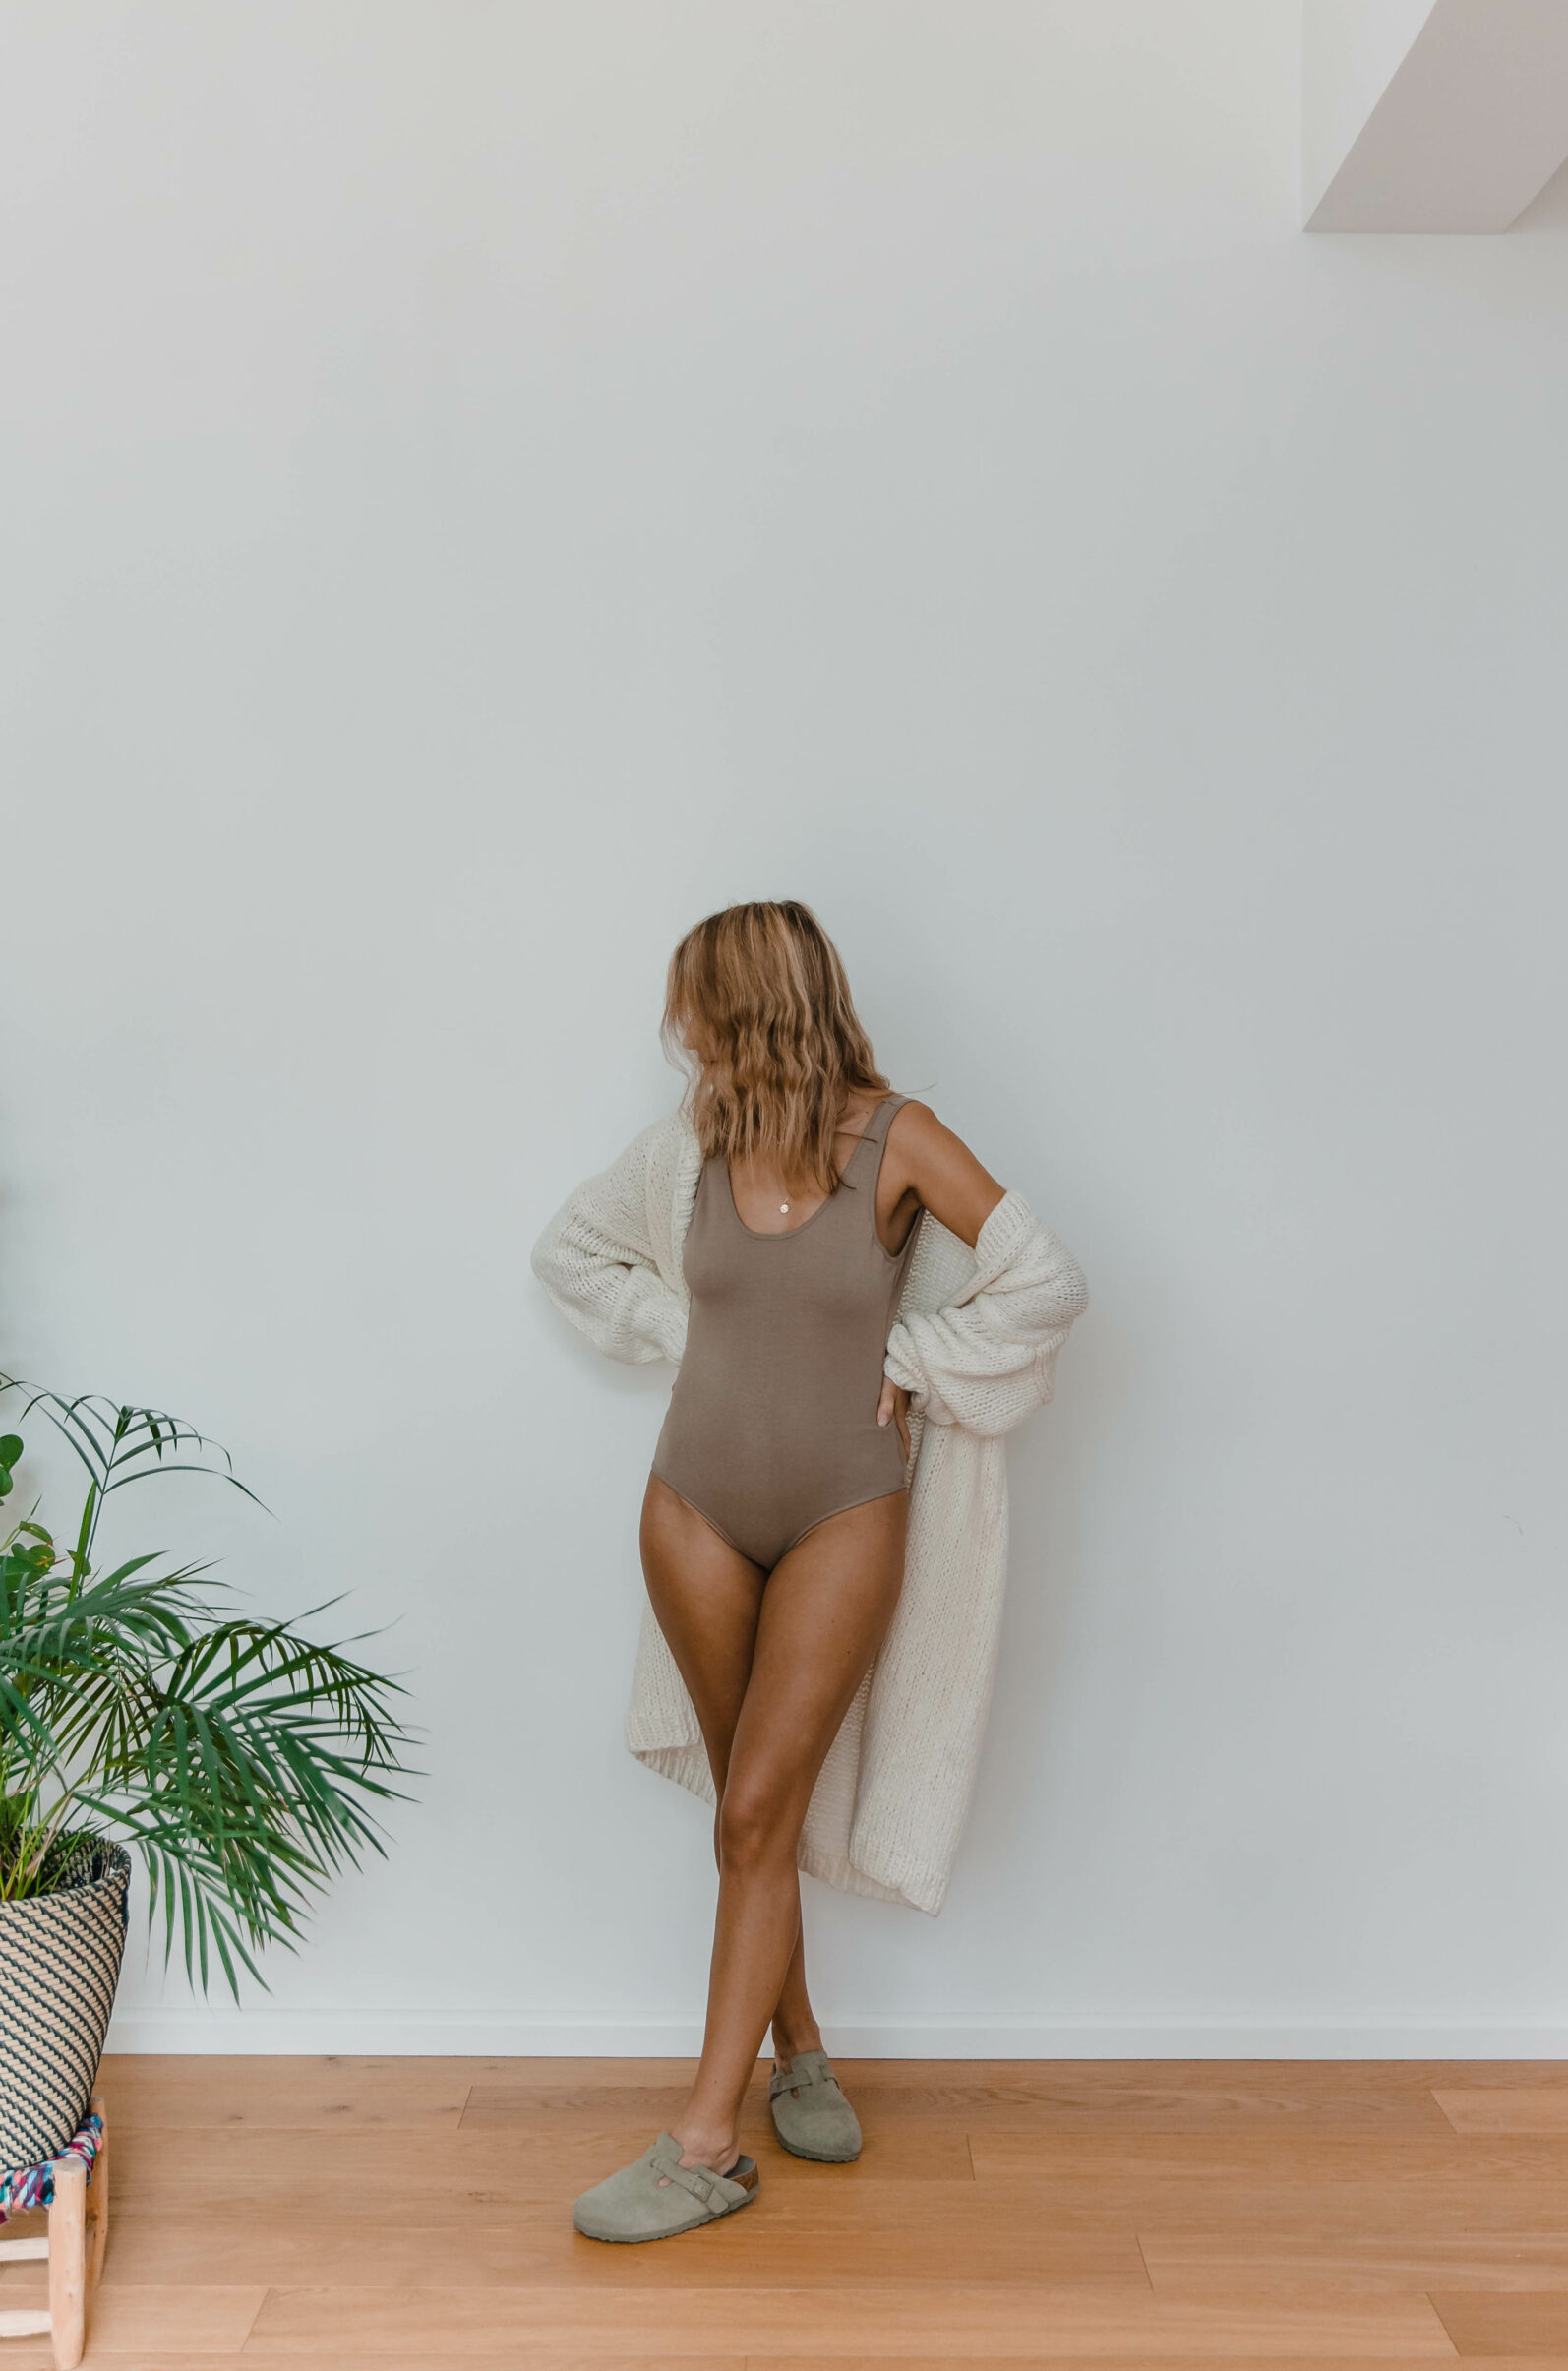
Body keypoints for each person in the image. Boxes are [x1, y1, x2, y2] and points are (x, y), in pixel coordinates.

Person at [532, 899, 1086, 2243]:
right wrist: (692, 1333)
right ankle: (802, 2051)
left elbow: (1048, 1282)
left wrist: (914, 1360)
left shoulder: (900, 1139)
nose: (678, 1031)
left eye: (694, 1005)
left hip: (845, 1509)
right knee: (751, 1812)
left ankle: (705, 2144)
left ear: (747, 1003)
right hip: (693, 1508)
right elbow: (568, 1251)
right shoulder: (690, 1147)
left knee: (755, 1812)